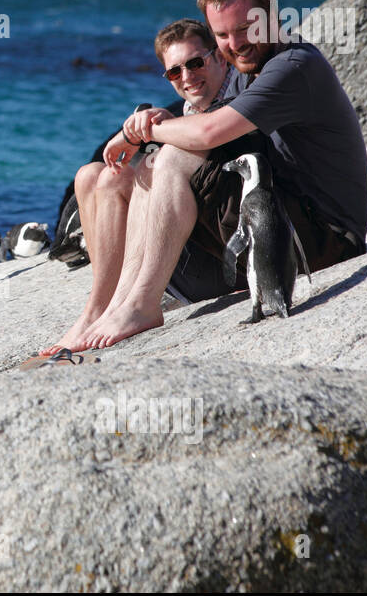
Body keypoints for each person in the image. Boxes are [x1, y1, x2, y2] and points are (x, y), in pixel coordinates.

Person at [56, 0, 367, 352]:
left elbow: (209, 133)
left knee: (168, 160)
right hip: (268, 229)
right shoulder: (243, 69)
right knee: (110, 176)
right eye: (222, 34)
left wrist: (142, 132)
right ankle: (103, 309)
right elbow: (207, 127)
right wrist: (162, 122)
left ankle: (140, 305)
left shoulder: (292, 66)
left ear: (271, 16)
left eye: (244, 29)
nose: (235, 43)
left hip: (322, 240)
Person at [51, 19, 234, 352]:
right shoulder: (191, 109)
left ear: (219, 57)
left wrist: (149, 131)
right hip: (179, 258)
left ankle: (130, 307)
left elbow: (204, 135)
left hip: (218, 266)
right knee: (95, 176)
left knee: (155, 166)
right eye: (175, 72)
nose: (188, 77)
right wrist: (151, 126)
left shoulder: (234, 103)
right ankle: (98, 309)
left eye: (195, 63)